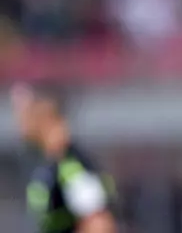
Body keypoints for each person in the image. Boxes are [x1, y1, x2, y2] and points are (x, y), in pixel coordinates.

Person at [10, 81, 118, 233]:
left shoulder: (71, 167)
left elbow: (100, 225)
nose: (19, 121)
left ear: (44, 111)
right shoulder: (50, 165)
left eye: (24, 111)